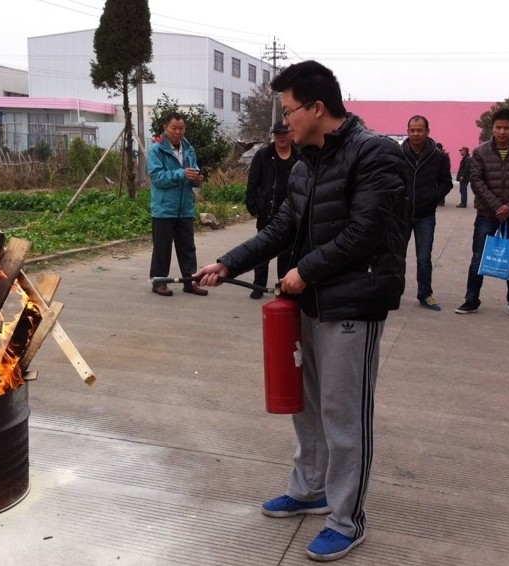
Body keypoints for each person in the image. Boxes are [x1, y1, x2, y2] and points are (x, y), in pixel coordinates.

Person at [194, 60, 409, 562]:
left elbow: (366, 233)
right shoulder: (304, 163)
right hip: (307, 304)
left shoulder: (374, 154)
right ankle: (310, 488)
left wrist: (306, 271)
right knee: (307, 407)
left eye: (288, 109)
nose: (284, 120)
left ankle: (346, 518)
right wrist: (228, 263)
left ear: (316, 107)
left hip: (353, 301)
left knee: (343, 414)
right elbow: (280, 229)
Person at [455, 108, 509, 319]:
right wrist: (498, 206)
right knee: (478, 258)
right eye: (498, 127)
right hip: (486, 215)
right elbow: (477, 181)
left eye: (506, 127)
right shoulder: (480, 151)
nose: (502, 131)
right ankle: (471, 300)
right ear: (493, 128)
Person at [147, 112, 208, 297]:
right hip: (164, 208)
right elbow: (157, 177)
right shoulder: (156, 150)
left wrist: (197, 178)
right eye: (173, 128)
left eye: (181, 128)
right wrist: (182, 173)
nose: (177, 132)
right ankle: (159, 282)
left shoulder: (189, 149)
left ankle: (190, 282)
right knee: (162, 247)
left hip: (185, 207)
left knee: (188, 246)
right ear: (165, 128)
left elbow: (193, 172)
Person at [400, 116, 453, 311]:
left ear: (427, 131)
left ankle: (425, 294)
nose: (415, 134)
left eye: (419, 130)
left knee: (424, 258)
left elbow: (446, 182)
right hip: (401, 215)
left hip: (425, 216)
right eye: (412, 130)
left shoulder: (438, 157)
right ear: (407, 131)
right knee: (398, 256)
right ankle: (395, 292)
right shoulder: (398, 154)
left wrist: (433, 197)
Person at [244, 120, 300, 299]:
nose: (281, 137)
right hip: (267, 211)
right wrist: (253, 207)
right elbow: (252, 183)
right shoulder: (263, 155)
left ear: (291, 134)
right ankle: (258, 286)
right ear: (273, 136)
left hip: (291, 214)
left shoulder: (299, 157)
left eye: (284, 133)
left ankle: (283, 286)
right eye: (277, 134)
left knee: (287, 253)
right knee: (262, 249)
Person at [435, 142, 450, 206]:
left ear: (440, 148)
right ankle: (438, 200)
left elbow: (448, 165)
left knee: (442, 186)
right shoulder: (435, 155)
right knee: (436, 187)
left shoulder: (445, 156)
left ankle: (442, 200)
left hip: (442, 174)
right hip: (435, 174)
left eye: (437, 148)